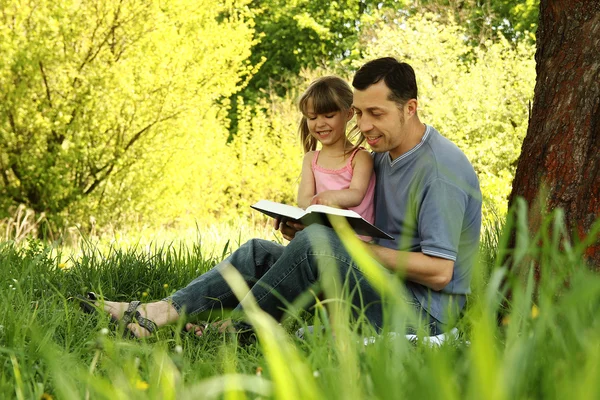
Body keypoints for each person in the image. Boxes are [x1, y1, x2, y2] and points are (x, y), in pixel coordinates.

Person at [81, 57, 481, 339]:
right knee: (259, 251)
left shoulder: (440, 170)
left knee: (321, 245)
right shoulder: (384, 154)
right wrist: (310, 231)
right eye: (358, 113)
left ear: (410, 108)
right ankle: (158, 311)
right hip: (383, 286)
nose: (363, 125)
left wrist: (340, 247)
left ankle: (233, 333)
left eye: (375, 114)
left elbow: (440, 272)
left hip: (423, 315)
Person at [296, 76, 376, 241]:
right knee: (254, 249)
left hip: (354, 244)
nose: (320, 124)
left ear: (348, 113)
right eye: (312, 118)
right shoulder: (311, 159)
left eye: (328, 116)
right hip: (323, 237)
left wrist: (329, 197)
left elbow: (356, 194)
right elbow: (303, 198)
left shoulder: (360, 157)